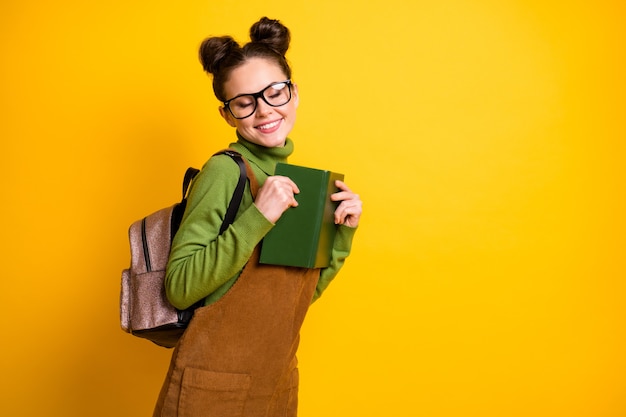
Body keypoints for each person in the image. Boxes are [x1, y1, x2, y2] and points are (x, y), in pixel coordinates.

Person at [152, 17, 362, 417]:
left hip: (274, 386)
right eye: (245, 101)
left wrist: (341, 239)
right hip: (213, 390)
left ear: (294, 94)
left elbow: (295, 298)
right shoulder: (225, 171)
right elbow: (178, 288)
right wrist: (258, 216)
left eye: (274, 92)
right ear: (228, 114)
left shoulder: (296, 182)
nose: (264, 110)